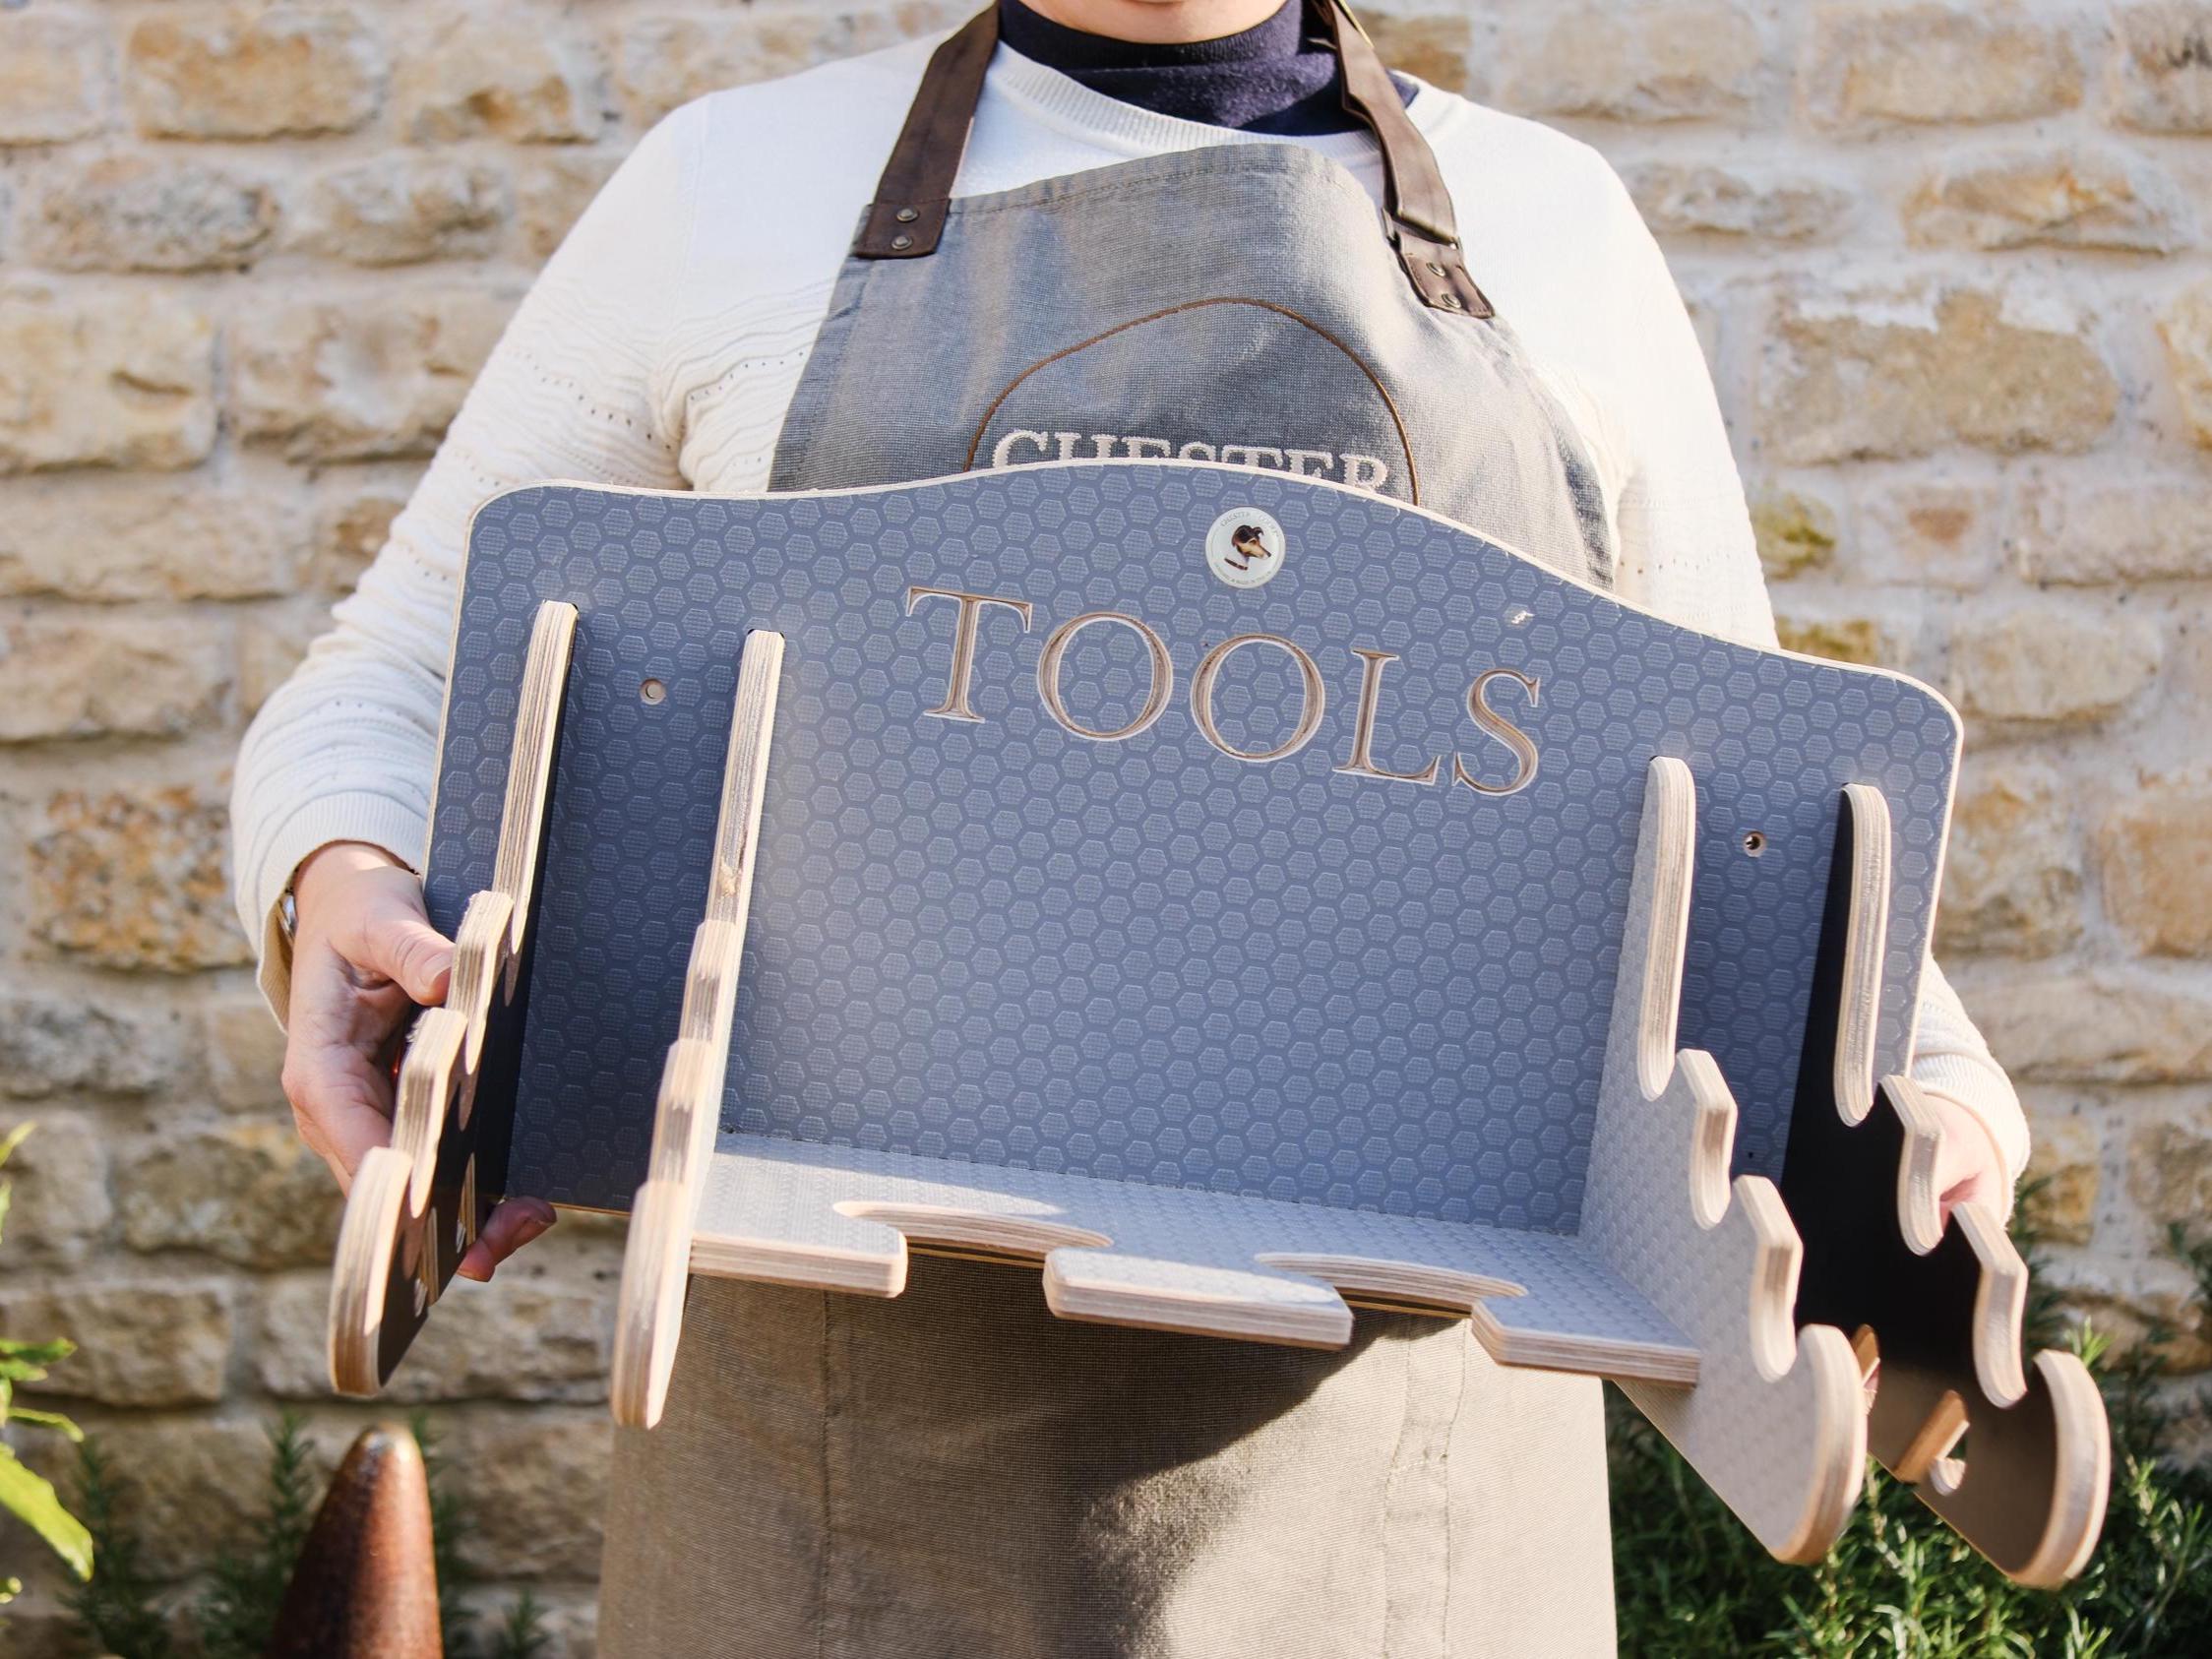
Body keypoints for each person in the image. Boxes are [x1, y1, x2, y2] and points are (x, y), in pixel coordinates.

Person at [233, 3, 2029, 1653]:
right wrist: (339, 872)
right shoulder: (734, 188)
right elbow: (390, 683)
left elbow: (1773, 821)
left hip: (1408, 1529)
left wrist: (1933, 1094)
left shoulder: (1558, 230)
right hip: (835, 1515)